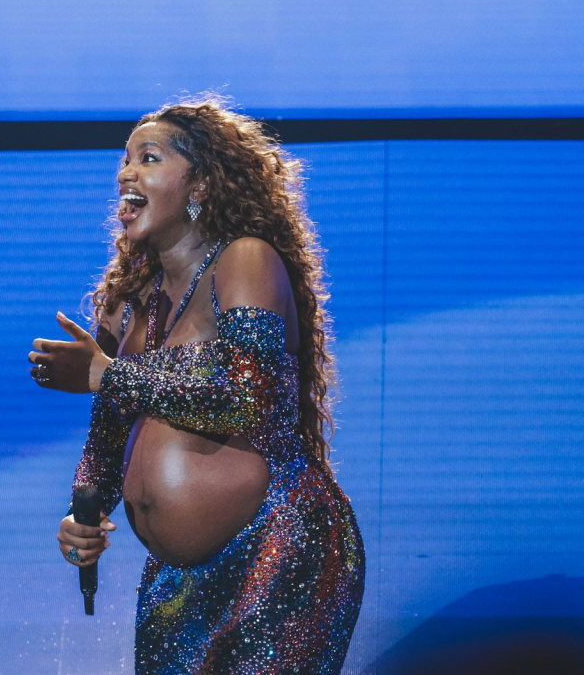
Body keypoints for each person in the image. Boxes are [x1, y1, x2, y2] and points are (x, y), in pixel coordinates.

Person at [29, 98, 364, 673]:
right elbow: (110, 436)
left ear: (202, 182)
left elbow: (245, 390)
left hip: (278, 550)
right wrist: (83, 513)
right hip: (177, 578)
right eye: (124, 161)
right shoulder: (127, 302)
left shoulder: (245, 260)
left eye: (148, 158)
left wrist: (108, 373)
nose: (124, 174)